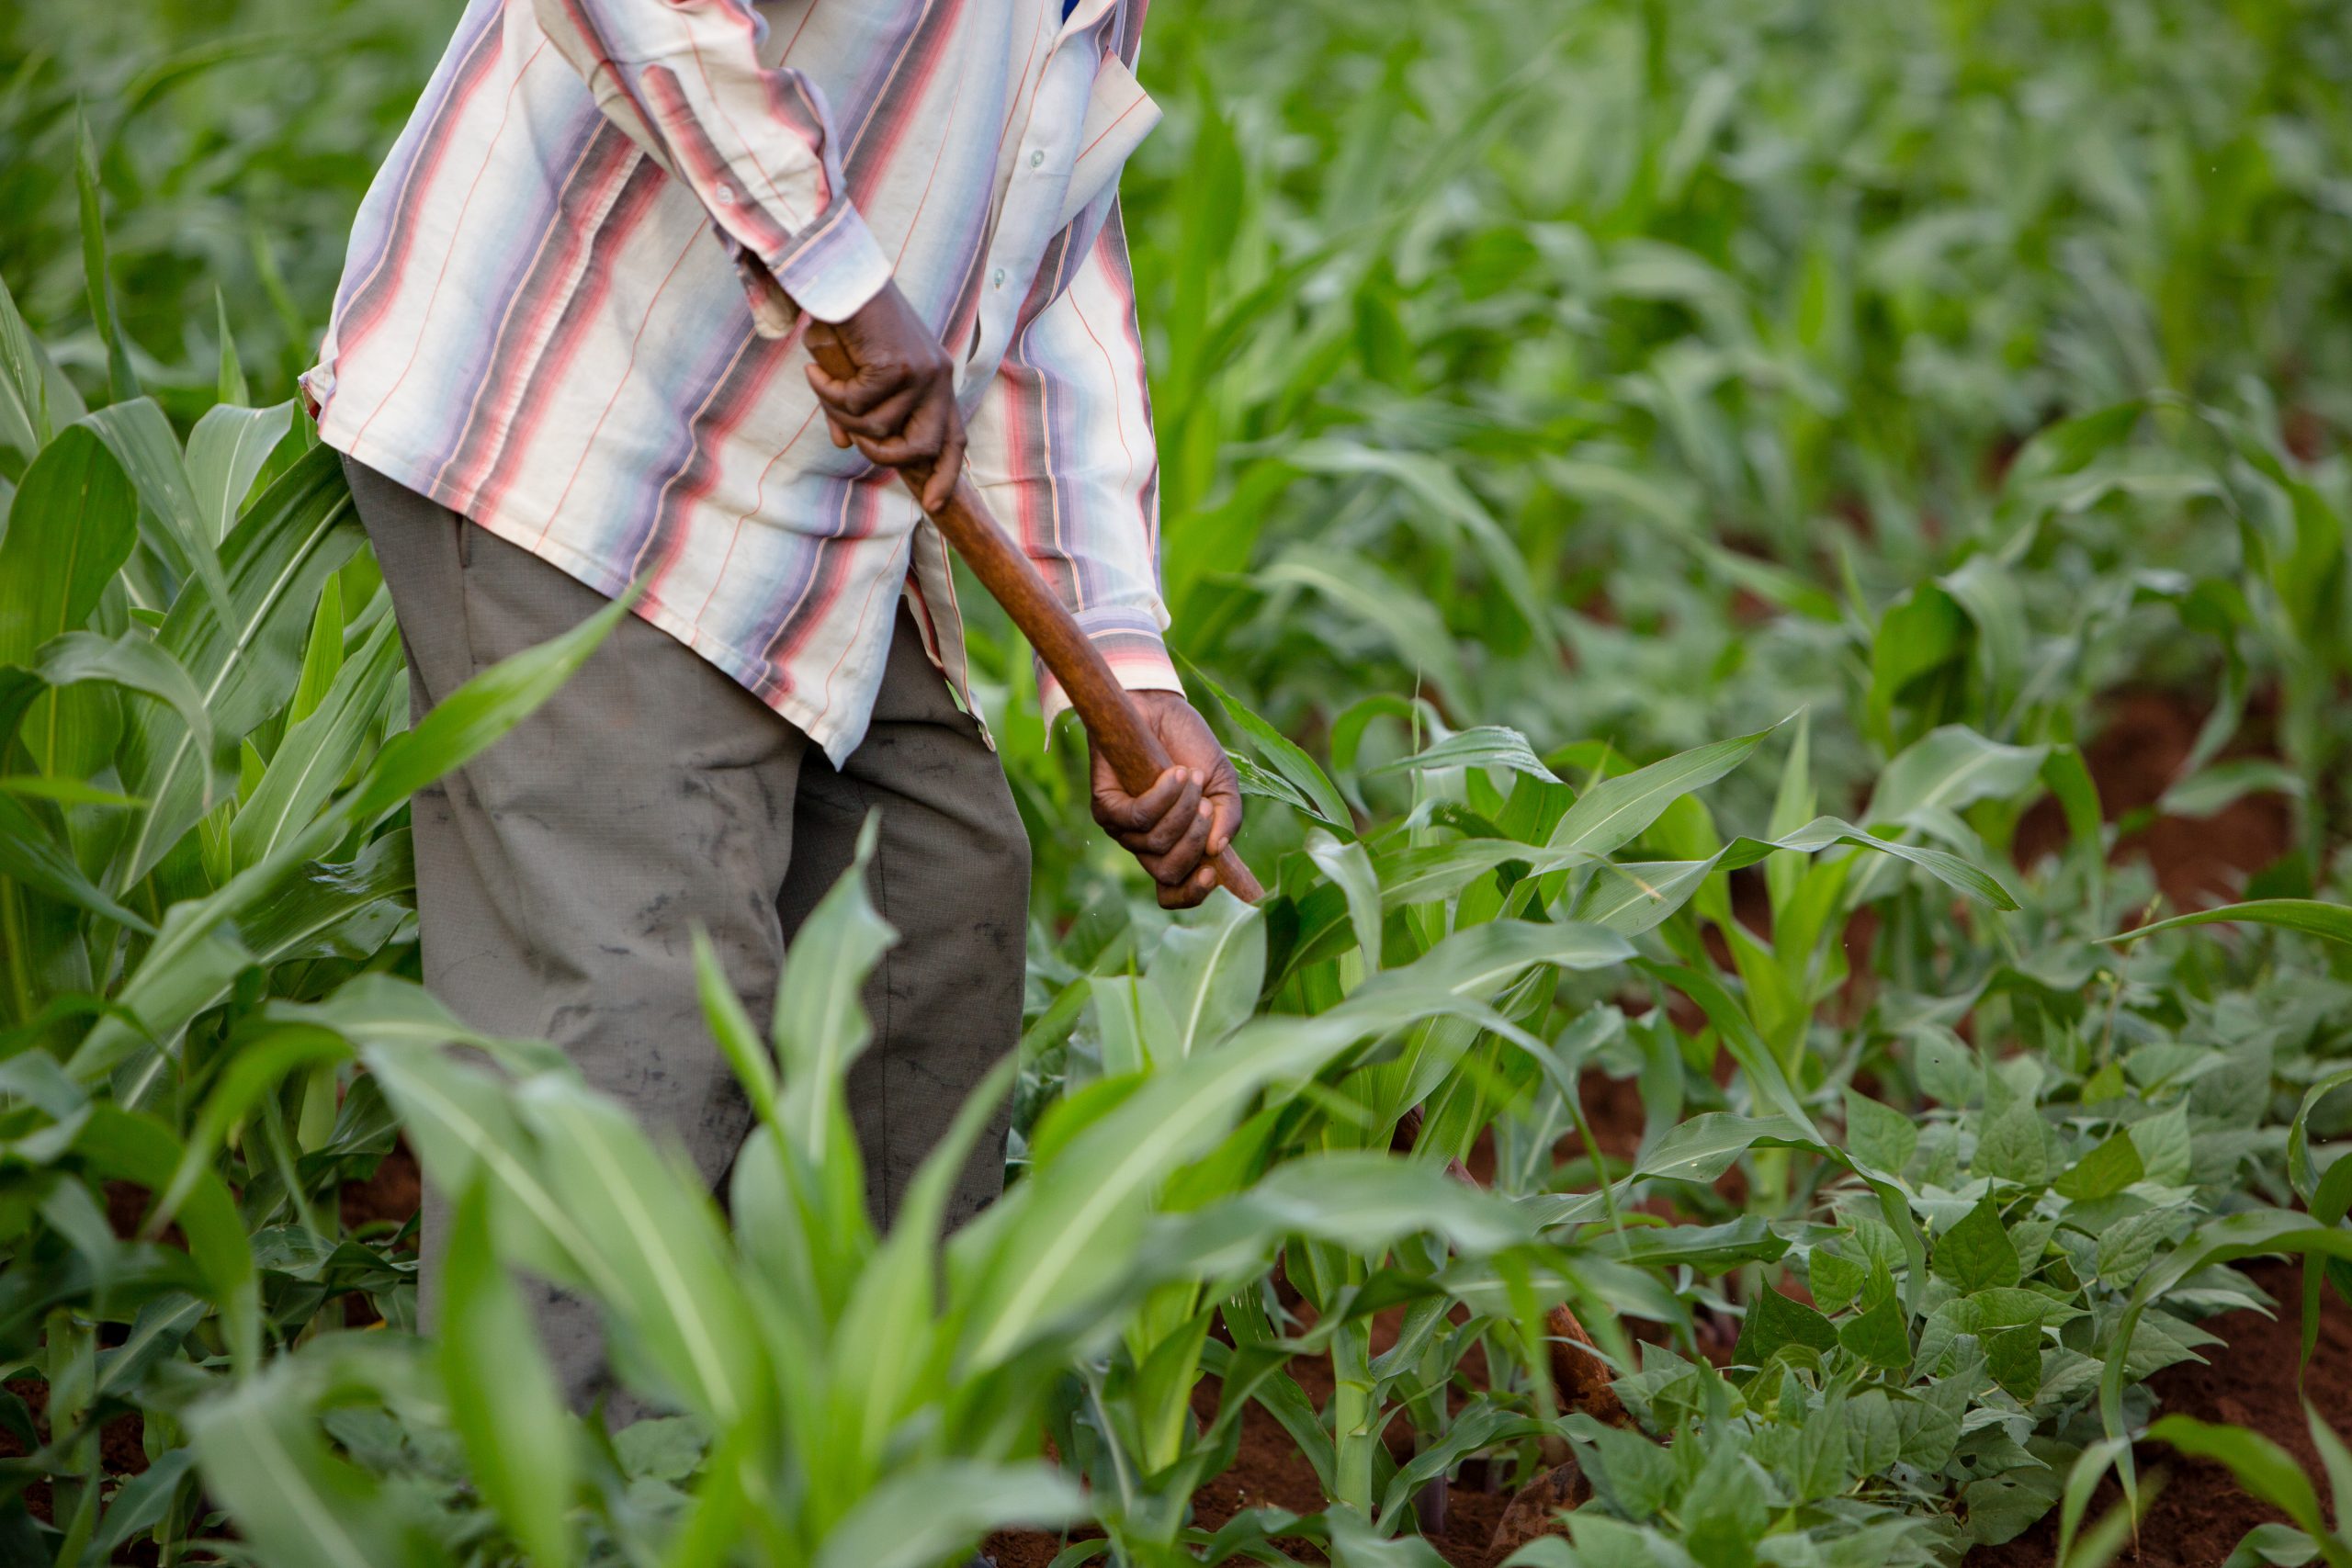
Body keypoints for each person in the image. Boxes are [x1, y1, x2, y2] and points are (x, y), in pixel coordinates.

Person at [303, 0, 1242, 1407]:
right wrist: (842, 279)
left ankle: (853, 1484)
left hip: (812, 507)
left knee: (928, 916)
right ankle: (567, 1503)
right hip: (579, 440)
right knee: (641, 1013)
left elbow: (1038, 252)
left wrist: (1119, 658)